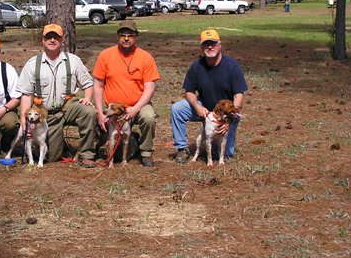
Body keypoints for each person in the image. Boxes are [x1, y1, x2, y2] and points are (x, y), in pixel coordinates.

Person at [16, 24, 97, 167]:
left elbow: (88, 84)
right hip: (46, 114)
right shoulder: (32, 64)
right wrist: (24, 121)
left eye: (56, 37)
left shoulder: (73, 60)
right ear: (43, 40)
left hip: (68, 108)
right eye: (48, 37)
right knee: (50, 157)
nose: (52, 40)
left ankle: (86, 155)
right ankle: (58, 144)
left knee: (89, 112)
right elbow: (26, 95)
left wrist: (87, 98)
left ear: (62, 40)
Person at [170, 29, 248, 163]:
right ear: (201, 47)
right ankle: (182, 148)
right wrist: (197, 107)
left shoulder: (232, 66)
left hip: (225, 113)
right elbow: (189, 92)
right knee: (177, 109)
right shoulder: (197, 66)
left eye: (213, 43)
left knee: (223, 155)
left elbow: (238, 96)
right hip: (204, 106)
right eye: (206, 44)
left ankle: (215, 146)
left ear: (220, 45)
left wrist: (229, 120)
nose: (210, 47)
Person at [93, 20, 160, 167]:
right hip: (114, 109)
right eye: (123, 35)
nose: (126, 38)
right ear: (118, 36)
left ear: (136, 37)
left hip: (138, 105)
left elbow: (149, 88)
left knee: (148, 117)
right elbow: (98, 86)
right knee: (116, 157)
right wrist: (100, 113)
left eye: (130, 35)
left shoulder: (145, 57)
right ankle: (96, 147)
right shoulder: (105, 55)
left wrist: (135, 109)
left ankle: (146, 152)